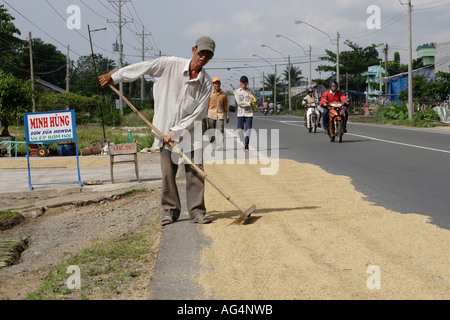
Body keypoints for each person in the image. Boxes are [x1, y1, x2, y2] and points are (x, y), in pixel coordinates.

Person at [99, 36, 216, 226]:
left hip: (190, 132)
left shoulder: (206, 83)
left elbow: (198, 113)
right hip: (163, 131)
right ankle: (170, 211)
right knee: (168, 173)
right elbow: (142, 67)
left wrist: (176, 131)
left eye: (208, 55)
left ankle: (197, 212)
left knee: (195, 172)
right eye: (202, 53)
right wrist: (116, 75)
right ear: (193, 50)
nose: (204, 57)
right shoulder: (169, 65)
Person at [206, 77, 229, 150]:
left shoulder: (224, 95)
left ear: (220, 84)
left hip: (220, 114)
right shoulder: (210, 94)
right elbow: (206, 105)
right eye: (215, 83)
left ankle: (219, 145)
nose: (217, 84)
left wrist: (227, 115)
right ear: (213, 84)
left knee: (220, 130)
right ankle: (213, 145)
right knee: (211, 131)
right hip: (211, 114)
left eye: (218, 83)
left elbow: (226, 106)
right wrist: (203, 115)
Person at [234, 76, 255, 152]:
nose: (244, 83)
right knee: (239, 130)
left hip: (249, 113)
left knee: (248, 130)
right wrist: (248, 103)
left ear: (247, 82)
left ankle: (246, 146)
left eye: (245, 82)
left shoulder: (250, 91)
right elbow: (239, 103)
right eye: (243, 82)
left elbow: (253, 100)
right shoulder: (236, 91)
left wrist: (252, 101)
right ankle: (243, 142)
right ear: (240, 82)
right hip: (240, 113)